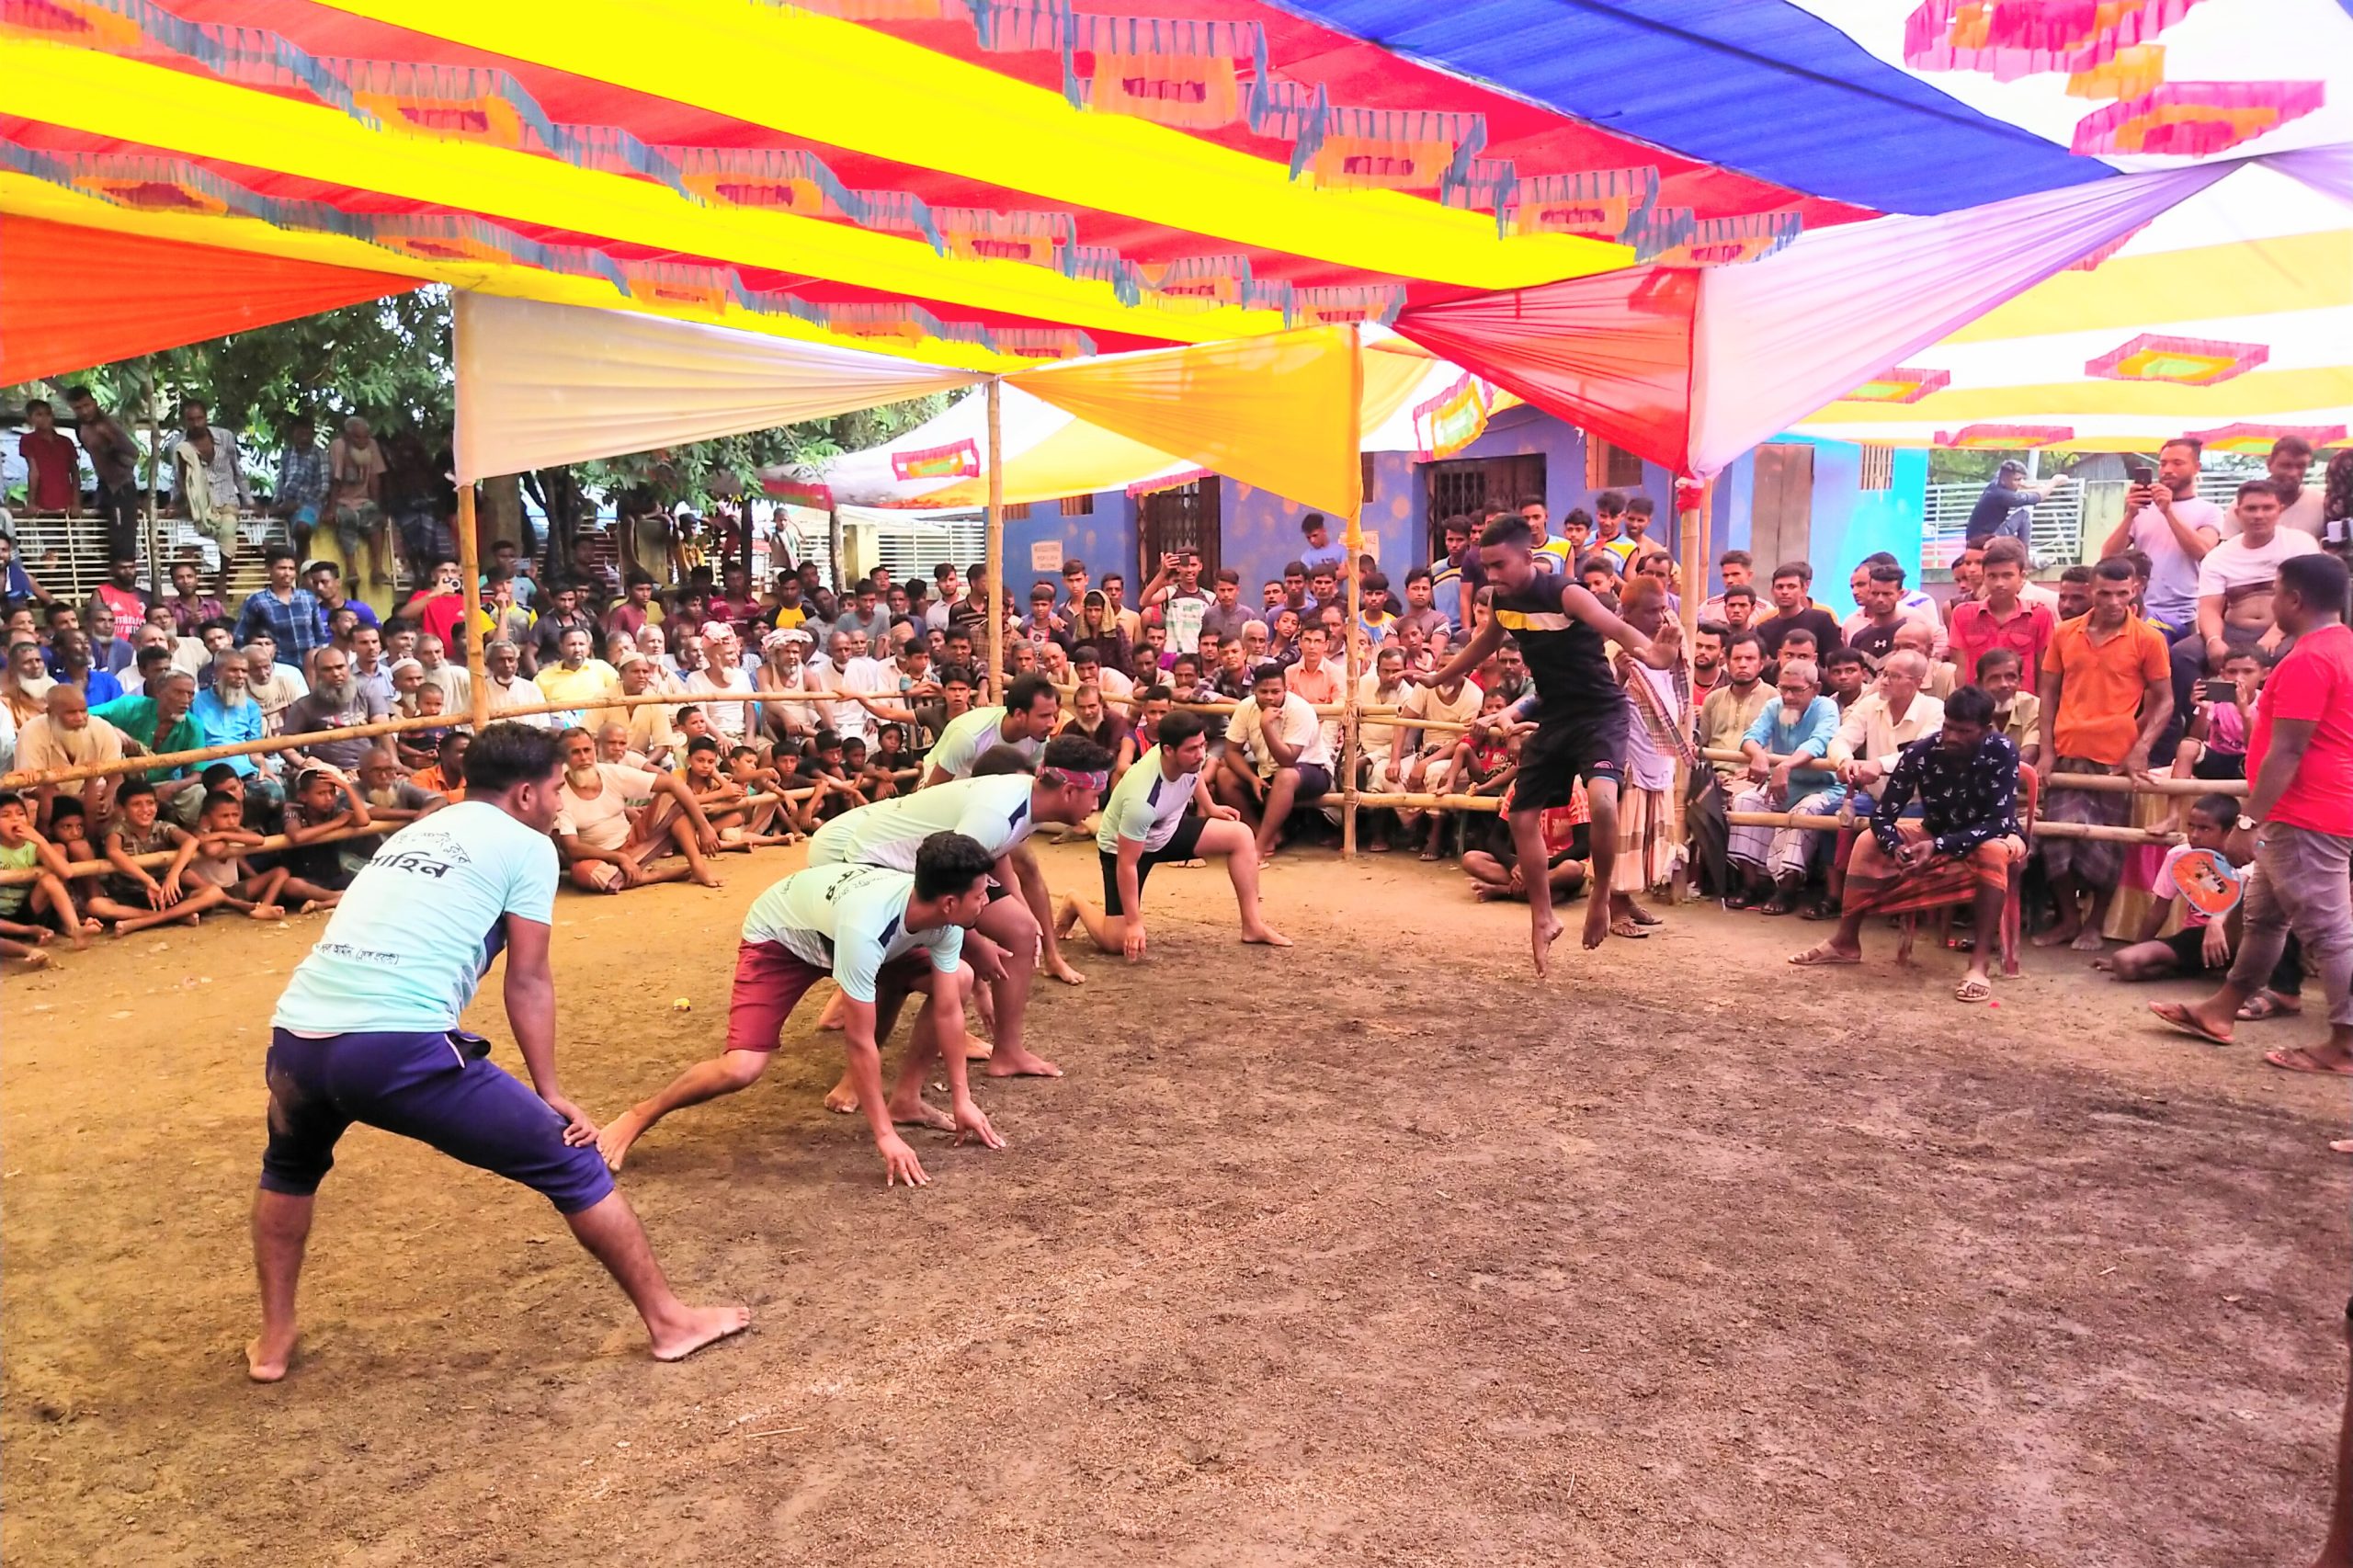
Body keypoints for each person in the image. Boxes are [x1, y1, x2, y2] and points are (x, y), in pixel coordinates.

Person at [246, 723, 748, 1380]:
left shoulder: (420, 827)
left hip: (298, 1039)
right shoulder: (526, 845)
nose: (559, 805)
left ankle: (275, 1339)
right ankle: (669, 1322)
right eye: (553, 791)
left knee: (289, 1167)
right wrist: (551, 1089)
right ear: (523, 794)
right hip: (394, 1044)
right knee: (571, 1161)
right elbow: (529, 976)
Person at [595, 834, 1006, 1181]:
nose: (987, 898)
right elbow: (860, 1042)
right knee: (741, 1068)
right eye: (980, 893)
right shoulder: (868, 928)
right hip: (784, 937)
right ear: (949, 902)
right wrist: (883, 1138)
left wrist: (962, 1099)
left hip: (844, 930)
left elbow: (950, 1011)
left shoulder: (948, 921)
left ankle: (907, 1100)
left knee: (959, 978)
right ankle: (638, 1116)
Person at [1410, 512, 1679, 972]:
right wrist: (1439, 675)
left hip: (1599, 713)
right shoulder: (1501, 602)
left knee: (1603, 804)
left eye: (1498, 565)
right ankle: (1543, 916)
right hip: (1554, 713)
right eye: (1485, 567)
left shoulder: (1567, 593)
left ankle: (1601, 899)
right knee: (1521, 815)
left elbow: (1616, 629)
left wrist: (1655, 654)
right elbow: (1481, 645)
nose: (1490, 577)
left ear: (1529, 557)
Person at [806, 734, 1110, 1098]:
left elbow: (994, 856)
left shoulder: (1028, 801)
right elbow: (952, 882)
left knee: (1019, 928)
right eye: (1095, 794)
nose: (1097, 803)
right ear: (1069, 792)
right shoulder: (997, 812)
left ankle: (1008, 1052)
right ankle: (860, 1077)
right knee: (906, 965)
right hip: (882, 864)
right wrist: (977, 943)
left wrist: (1026, 923)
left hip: (934, 864)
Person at [2147, 554, 2352, 1075]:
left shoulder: (2309, 659)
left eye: (2277, 592)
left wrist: (2247, 821)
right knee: (2263, 917)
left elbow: (2288, 749)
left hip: (2307, 811)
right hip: (2310, 807)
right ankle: (2221, 1010)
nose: (2270, 603)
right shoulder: (2342, 647)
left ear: (2295, 600)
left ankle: (2347, 1044)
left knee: (2328, 930)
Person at [1789, 686, 2025, 1001]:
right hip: (1935, 830)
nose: (1952, 737)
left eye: (1963, 731)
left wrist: (1938, 845)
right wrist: (1894, 847)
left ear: (1985, 730)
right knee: (1867, 840)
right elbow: (1883, 816)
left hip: (1995, 833)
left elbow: (2000, 822)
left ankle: (1978, 964)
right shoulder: (1922, 751)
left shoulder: (2003, 749)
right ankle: (1845, 941)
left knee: (1993, 850)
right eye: (1948, 727)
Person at [1057, 709, 1290, 960]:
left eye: (1203, 745)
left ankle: (1253, 925)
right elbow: (1127, 864)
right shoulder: (1142, 799)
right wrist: (1134, 923)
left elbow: (1195, 773)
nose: (1200, 754)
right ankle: (1076, 902)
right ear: (1168, 750)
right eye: (1192, 749)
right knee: (1117, 943)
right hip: (1125, 849)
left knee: (1241, 834)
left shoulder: (1188, 758)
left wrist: (1210, 807)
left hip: (1167, 830)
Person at [2034, 557, 2174, 951]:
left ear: (2135, 591)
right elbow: (2048, 693)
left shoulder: (2148, 639)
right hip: (2066, 752)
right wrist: (2046, 751)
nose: (2114, 601)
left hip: (2115, 758)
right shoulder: (2064, 633)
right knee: (2057, 842)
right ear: (2091, 591)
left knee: (2108, 848)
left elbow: (2165, 700)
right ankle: (2067, 919)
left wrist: (2141, 749)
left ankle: (2094, 925)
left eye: (2122, 593)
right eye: (2105, 593)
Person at [1724, 658, 1845, 915]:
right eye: (1784, 688)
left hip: (1820, 788)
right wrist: (1758, 756)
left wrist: (1785, 766)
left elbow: (1820, 743)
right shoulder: (1774, 706)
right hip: (1781, 785)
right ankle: (1751, 885)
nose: (1788, 696)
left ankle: (1787, 890)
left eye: (1796, 690)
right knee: (1745, 802)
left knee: (1806, 812)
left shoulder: (1827, 708)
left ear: (1815, 688)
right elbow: (1751, 737)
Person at [551, 726, 725, 892]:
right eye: (575, 752)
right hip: (603, 860)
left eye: (587, 750)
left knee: (671, 798)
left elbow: (673, 783)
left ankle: (697, 866)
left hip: (636, 844)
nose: (583, 758)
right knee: (583, 873)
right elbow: (572, 848)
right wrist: (619, 858)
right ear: (563, 757)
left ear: (594, 749)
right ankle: (654, 876)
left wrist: (704, 827)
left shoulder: (612, 773)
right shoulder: (560, 792)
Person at [2098, 437, 2220, 635]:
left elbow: (2203, 552)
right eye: (2163, 463)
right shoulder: (2143, 509)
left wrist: (2168, 511)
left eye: (2178, 463)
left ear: (2196, 467)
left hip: (2184, 615)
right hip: (2139, 611)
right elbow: (2107, 556)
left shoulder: (2209, 511)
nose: (2167, 470)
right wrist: (2130, 515)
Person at [1214, 663, 1334, 860]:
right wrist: (1252, 778)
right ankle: (1260, 834)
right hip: (1267, 769)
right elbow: (1231, 751)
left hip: (1312, 771)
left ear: (1286, 689)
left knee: (1286, 776)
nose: (1270, 697)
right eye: (1264, 691)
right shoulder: (1246, 707)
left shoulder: (1299, 709)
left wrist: (1266, 726)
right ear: (1254, 690)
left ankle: (1259, 848)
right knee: (1224, 775)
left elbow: (1287, 760)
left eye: (1276, 691)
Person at [919, 673, 1061, 786]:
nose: (1052, 724)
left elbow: (1032, 785)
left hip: (986, 793)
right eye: (1044, 716)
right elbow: (932, 791)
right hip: (943, 787)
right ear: (1019, 715)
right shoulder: (969, 735)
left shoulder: (1040, 736)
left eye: (1053, 715)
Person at [64, 386, 142, 562]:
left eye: (87, 405)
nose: (84, 411)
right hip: (103, 485)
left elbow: (133, 454)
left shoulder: (107, 425)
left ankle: (124, 578)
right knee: (102, 534)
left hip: (121, 486)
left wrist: (111, 446)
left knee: (122, 538)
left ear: (94, 403)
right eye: (78, 408)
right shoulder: (81, 427)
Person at [326, 416, 391, 588]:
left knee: (376, 518)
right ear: (347, 436)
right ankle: (351, 569)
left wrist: (377, 505)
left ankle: (378, 569)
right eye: (357, 437)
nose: (362, 441)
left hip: (363, 500)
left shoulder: (372, 445)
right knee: (347, 519)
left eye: (365, 437)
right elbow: (335, 479)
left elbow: (375, 478)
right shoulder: (338, 446)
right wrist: (331, 509)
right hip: (341, 501)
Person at [1965, 459, 2070, 545]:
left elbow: (2020, 484)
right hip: (1983, 541)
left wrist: (2033, 486)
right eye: (2017, 480)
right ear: (2004, 480)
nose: (2020, 483)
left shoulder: (1996, 483)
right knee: (2023, 515)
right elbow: (2039, 497)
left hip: (1976, 537)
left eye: (2022, 479)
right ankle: (2024, 558)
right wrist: (2054, 481)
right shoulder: (2002, 495)